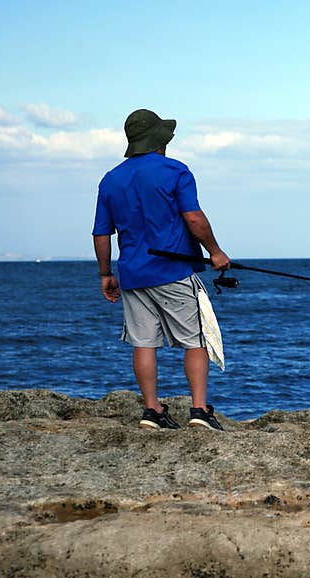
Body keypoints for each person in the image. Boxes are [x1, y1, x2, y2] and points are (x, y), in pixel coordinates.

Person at [92, 108, 230, 431]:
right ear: (159, 140)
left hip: (133, 275)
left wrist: (105, 274)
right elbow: (193, 218)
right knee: (196, 340)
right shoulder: (176, 171)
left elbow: (101, 233)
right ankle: (199, 410)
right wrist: (216, 252)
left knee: (143, 342)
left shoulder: (111, 180)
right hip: (174, 271)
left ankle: (152, 411)